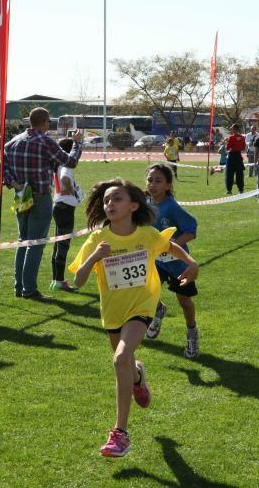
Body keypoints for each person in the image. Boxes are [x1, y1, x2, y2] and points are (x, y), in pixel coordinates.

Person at [69, 179, 198, 458]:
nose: (109, 204)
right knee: (125, 363)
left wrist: (192, 264)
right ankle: (138, 377)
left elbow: (170, 247)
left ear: (133, 205)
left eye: (116, 199)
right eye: (106, 200)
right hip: (113, 312)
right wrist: (93, 258)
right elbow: (77, 281)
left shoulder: (146, 234)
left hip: (143, 306)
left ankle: (120, 434)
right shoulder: (97, 240)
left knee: (120, 358)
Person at [2, 107, 83, 300]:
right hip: (40, 197)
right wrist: (77, 144)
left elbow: (2, 171)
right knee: (35, 244)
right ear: (46, 122)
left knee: (23, 241)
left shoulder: (11, 143)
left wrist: (16, 184)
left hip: (21, 195)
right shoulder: (45, 142)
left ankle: (19, 286)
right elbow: (70, 162)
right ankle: (29, 289)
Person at [144, 164, 200, 358]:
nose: (153, 184)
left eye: (158, 181)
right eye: (150, 180)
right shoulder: (145, 203)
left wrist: (172, 244)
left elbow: (191, 230)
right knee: (146, 290)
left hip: (178, 263)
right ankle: (158, 309)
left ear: (168, 185)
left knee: (184, 300)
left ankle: (192, 333)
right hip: (156, 261)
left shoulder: (171, 207)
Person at [50, 137, 83, 292]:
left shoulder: (57, 164)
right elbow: (64, 178)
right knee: (63, 245)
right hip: (65, 207)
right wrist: (72, 191)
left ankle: (56, 279)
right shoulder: (66, 165)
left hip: (59, 205)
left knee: (58, 244)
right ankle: (59, 281)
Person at [224, 124, 245, 194]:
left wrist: (226, 142)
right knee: (240, 174)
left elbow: (227, 148)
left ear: (235, 129)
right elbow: (243, 147)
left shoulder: (231, 137)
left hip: (232, 156)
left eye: (232, 128)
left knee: (229, 174)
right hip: (238, 156)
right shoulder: (242, 137)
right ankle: (241, 189)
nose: (231, 130)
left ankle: (229, 190)